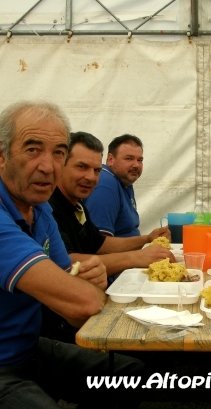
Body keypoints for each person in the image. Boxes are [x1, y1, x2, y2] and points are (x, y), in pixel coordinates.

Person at [0, 101, 143, 408]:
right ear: (1, 153)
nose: (48, 165)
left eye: (58, 152)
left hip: (23, 350)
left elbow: (71, 302)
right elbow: (81, 302)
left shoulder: (38, 209)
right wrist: (84, 286)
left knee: (132, 377)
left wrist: (85, 282)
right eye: (32, 149)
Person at [45, 131, 175, 341]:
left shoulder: (76, 203)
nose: (91, 177)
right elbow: (65, 263)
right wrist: (137, 257)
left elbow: (100, 244)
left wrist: (145, 240)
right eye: (81, 167)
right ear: (59, 164)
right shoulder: (48, 207)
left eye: (96, 170)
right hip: (59, 324)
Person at [84, 133, 169, 244]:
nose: (136, 165)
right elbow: (99, 245)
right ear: (110, 159)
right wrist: (147, 243)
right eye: (129, 159)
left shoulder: (123, 182)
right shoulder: (105, 185)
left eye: (140, 160)